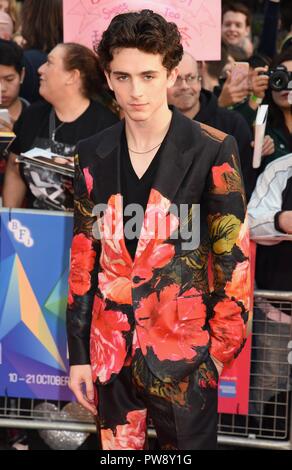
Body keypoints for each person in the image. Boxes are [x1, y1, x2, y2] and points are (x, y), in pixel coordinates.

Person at [67, 10, 250, 450]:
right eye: (123, 76)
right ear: (108, 78)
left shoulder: (211, 148)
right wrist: (79, 356)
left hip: (185, 359)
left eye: (148, 75)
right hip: (111, 354)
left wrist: (212, 359)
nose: (136, 91)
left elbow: (235, 266)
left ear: (170, 74)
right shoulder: (91, 152)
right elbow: (82, 259)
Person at [2, 42, 118, 210]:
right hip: (32, 229)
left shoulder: (106, 125)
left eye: (49, 63)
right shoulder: (32, 115)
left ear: (72, 76)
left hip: (82, 230)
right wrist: (9, 221)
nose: (40, 69)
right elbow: (14, 170)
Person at [167, 52, 260, 200]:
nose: (184, 86)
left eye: (190, 78)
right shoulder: (151, 127)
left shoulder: (233, 124)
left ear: (200, 79)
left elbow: (246, 185)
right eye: (176, 80)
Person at [247, 153, 292, 421]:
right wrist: (281, 220)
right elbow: (250, 222)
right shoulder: (281, 169)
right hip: (277, 310)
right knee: (269, 385)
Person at [0, 39, 29, 197]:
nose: (2, 88)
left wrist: (17, 141)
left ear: (22, 74)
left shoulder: (35, 117)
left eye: (9, 79)